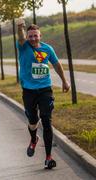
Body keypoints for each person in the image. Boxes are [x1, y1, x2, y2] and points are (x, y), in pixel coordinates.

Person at [17, 20, 70, 169]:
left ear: (40, 35)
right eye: (30, 36)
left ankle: (48, 157)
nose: (33, 38)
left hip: (45, 89)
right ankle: (34, 140)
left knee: (46, 120)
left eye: (35, 36)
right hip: (29, 91)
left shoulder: (47, 48)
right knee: (33, 121)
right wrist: (19, 27)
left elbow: (57, 64)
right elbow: (20, 38)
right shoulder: (23, 46)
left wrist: (65, 81)